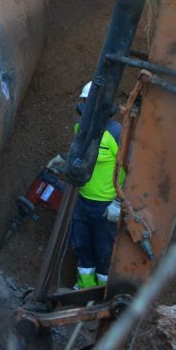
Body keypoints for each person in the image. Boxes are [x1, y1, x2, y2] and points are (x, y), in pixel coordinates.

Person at [68, 82, 123, 291]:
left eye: (88, 102)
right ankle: (83, 290)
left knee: (104, 251)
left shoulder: (117, 133)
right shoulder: (80, 128)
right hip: (82, 201)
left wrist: (118, 201)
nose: (85, 106)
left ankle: (102, 295)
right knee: (82, 246)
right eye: (84, 102)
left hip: (105, 207)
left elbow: (132, 167)